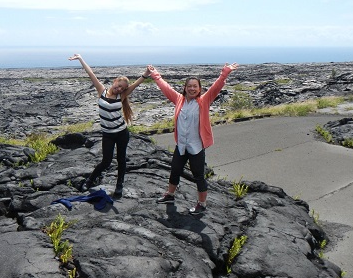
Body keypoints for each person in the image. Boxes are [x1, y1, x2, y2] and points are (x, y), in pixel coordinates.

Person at [146, 62, 239, 214]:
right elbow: (165, 87)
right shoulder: (179, 100)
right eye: (189, 86)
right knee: (175, 170)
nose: (192, 88)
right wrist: (155, 74)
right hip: (181, 145)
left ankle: (202, 204)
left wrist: (225, 73)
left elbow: (216, 87)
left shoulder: (204, 101)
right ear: (185, 88)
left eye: (195, 86)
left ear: (199, 89)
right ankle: (170, 194)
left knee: (198, 176)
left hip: (196, 146)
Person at [68, 54, 150, 197]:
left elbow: (136, 85)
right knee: (106, 161)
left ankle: (120, 184)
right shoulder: (102, 90)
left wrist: (146, 74)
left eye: (122, 88)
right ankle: (90, 180)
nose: (119, 89)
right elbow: (90, 73)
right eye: (118, 85)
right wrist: (80, 59)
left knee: (121, 159)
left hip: (121, 133)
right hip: (108, 134)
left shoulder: (121, 96)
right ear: (114, 81)